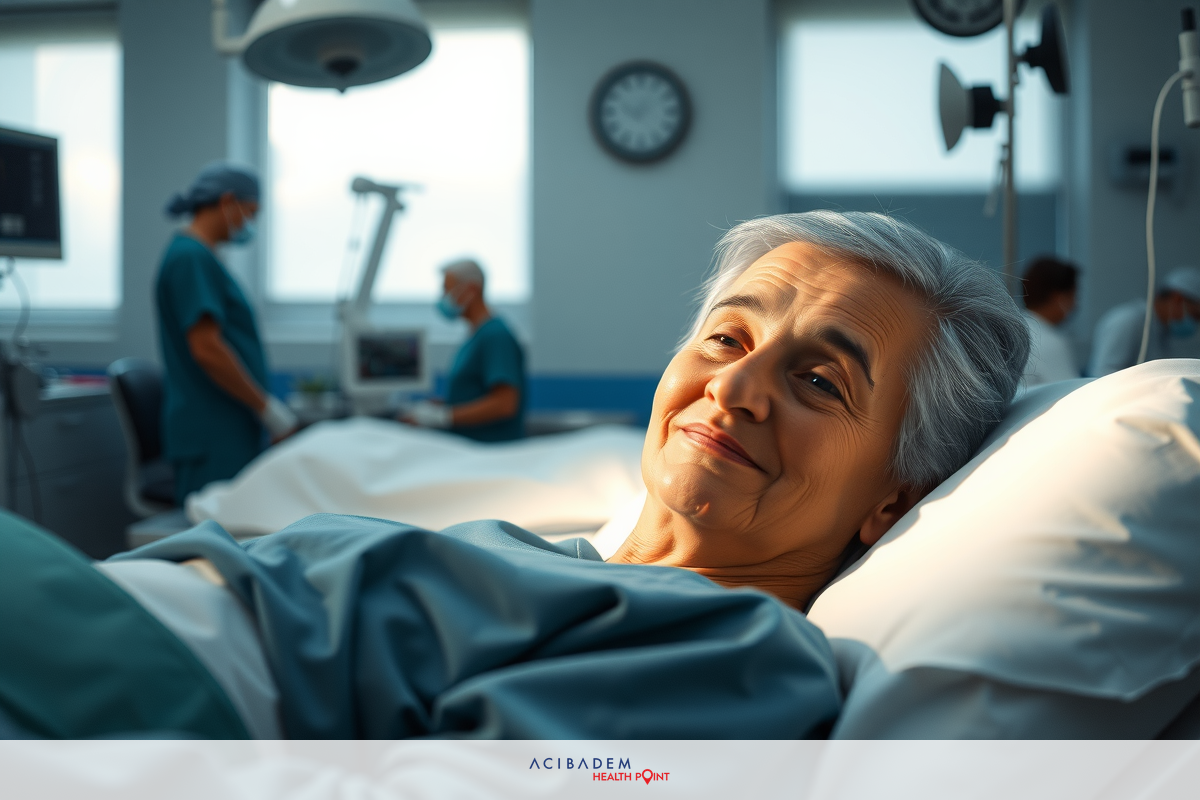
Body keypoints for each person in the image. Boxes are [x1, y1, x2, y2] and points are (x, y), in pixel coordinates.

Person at [3, 212, 1029, 740]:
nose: (740, 387)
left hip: (118, 676)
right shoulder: (573, 564)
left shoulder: (746, 651)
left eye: (818, 379)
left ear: (895, 493)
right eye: (726, 335)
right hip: (79, 605)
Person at [156, 163, 297, 504]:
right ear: (228, 201)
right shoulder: (191, 258)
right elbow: (207, 348)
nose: (250, 225)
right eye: (250, 213)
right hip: (211, 431)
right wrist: (265, 406)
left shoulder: (201, 258)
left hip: (225, 425)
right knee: (214, 538)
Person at [403, 259, 526, 441]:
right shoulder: (477, 335)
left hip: (490, 453)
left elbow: (504, 404)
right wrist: (444, 406)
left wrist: (443, 417)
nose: (443, 296)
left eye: (447, 289)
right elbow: (475, 394)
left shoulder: (495, 336)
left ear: (471, 290)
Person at [1089, 266, 1200, 377]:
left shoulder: (1160, 329)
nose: (1195, 322)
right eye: (1195, 315)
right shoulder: (1129, 320)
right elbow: (1103, 374)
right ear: (1178, 299)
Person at [1019, 256, 1080, 386]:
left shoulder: (1016, 329)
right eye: (1073, 296)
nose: (1075, 304)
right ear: (1059, 297)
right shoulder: (1048, 341)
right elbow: (1072, 393)